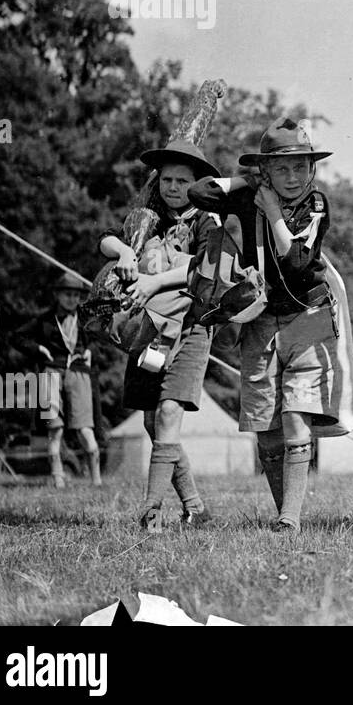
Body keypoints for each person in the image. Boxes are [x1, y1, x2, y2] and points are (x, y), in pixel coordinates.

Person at [187, 118, 347, 532]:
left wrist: (272, 209)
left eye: (299, 167)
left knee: (297, 413)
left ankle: (290, 519)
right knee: (267, 426)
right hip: (259, 322)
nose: (292, 177)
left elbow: (295, 260)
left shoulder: (316, 205)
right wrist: (248, 186)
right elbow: (198, 191)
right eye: (280, 168)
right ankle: (282, 513)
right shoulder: (252, 195)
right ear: (266, 172)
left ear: (311, 170)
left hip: (307, 318)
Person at [99, 139, 220, 530]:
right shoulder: (146, 217)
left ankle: (150, 512)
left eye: (182, 180)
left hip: (191, 328)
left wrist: (153, 283)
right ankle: (196, 508)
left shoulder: (208, 220)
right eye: (166, 179)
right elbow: (106, 237)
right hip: (146, 329)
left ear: (197, 183)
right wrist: (124, 252)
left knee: (170, 412)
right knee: (153, 422)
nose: (172, 187)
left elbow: (204, 269)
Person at [11, 273, 103, 489]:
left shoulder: (85, 318)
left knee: (84, 428)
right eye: (67, 294)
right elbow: (16, 337)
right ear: (57, 295)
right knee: (55, 428)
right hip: (51, 373)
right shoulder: (44, 319)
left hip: (79, 373)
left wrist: (90, 351)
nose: (71, 299)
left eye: (75, 295)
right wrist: (37, 349)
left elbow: (100, 341)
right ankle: (57, 478)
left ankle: (96, 481)